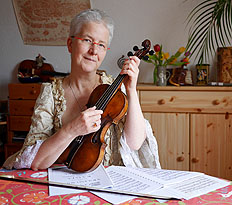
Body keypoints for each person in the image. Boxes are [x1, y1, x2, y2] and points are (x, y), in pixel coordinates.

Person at [3, 9, 160, 171]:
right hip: (65, 183)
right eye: (87, 40)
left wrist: (131, 90)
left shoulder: (116, 89)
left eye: (101, 45)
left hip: (111, 182)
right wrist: (71, 130)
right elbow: (36, 161)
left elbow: (135, 144)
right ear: (70, 44)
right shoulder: (51, 93)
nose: (94, 51)